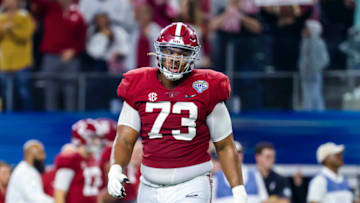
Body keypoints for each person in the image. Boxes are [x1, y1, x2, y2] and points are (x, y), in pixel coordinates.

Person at [107, 22, 247, 203]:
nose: (175, 59)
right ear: (159, 51)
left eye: (182, 53)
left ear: (193, 56)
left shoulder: (207, 86)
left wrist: (238, 189)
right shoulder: (138, 84)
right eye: (170, 51)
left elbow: (225, 145)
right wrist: (116, 169)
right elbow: (125, 138)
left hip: (192, 183)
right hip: (149, 185)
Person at [53, 119, 104, 203]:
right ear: (82, 138)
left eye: (98, 138)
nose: (97, 142)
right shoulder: (70, 160)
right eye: (93, 137)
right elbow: (59, 195)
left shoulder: (92, 159)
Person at [0, 0, 35, 111]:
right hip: (4, 63)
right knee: (5, 95)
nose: (9, 2)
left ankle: (29, 119)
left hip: (22, 63)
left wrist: (12, 29)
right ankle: (9, 121)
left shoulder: (25, 17)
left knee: (24, 93)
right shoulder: (1, 18)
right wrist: (3, 29)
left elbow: (25, 36)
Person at [298, 20, 329, 111]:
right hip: (305, 74)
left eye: (307, 29)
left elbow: (325, 59)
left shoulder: (319, 43)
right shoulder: (304, 42)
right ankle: (307, 112)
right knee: (306, 95)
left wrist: (316, 68)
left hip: (315, 74)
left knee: (316, 94)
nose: (305, 30)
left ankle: (318, 112)